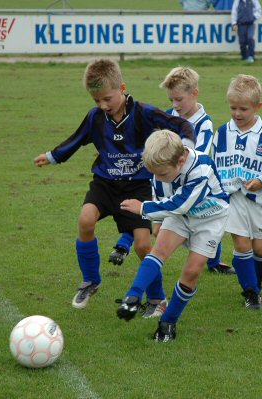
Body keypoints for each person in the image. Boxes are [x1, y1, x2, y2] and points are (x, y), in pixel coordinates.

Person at [33, 59, 195, 311]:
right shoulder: (95, 117)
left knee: (143, 245)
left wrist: (186, 146)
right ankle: (90, 280)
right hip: (105, 184)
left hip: (138, 187)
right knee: (86, 219)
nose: (102, 105)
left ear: (122, 87)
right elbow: (75, 140)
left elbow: (181, 124)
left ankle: (156, 298)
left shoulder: (144, 113)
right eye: (96, 100)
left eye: (107, 98)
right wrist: (53, 156)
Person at [111, 66, 235, 274]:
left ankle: (213, 263)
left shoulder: (204, 123)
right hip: (164, 177)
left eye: (179, 99)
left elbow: (200, 155)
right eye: (171, 100)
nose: (175, 105)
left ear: (194, 93)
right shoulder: (168, 117)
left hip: (193, 179)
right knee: (151, 210)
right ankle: (123, 245)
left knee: (205, 216)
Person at [116, 130, 230, 342]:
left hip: (209, 218)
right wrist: (158, 221)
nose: (158, 178)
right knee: (159, 250)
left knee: (192, 271)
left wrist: (143, 208)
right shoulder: (162, 167)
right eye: (155, 174)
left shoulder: (201, 167)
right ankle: (132, 296)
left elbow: (181, 204)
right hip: (178, 215)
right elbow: (160, 193)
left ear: (180, 160)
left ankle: (168, 321)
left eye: (162, 174)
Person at [213, 74, 262, 310]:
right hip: (232, 198)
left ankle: (259, 275)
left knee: (261, 250)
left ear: (257, 107)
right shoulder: (222, 133)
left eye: (243, 108)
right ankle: (251, 293)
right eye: (233, 107)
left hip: (259, 200)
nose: (237, 113)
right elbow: (212, 164)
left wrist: (261, 181)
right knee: (242, 245)